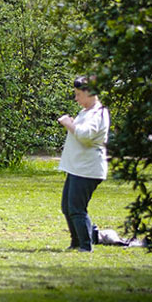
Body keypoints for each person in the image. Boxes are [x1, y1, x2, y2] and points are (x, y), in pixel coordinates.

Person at [57, 76, 110, 252]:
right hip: (76, 168)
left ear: (89, 93)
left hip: (88, 169)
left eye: (79, 95)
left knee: (77, 208)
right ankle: (76, 242)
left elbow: (86, 136)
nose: (76, 99)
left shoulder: (99, 113)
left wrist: (67, 124)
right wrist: (73, 124)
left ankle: (85, 246)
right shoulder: (86, 111)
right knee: (67, 207)